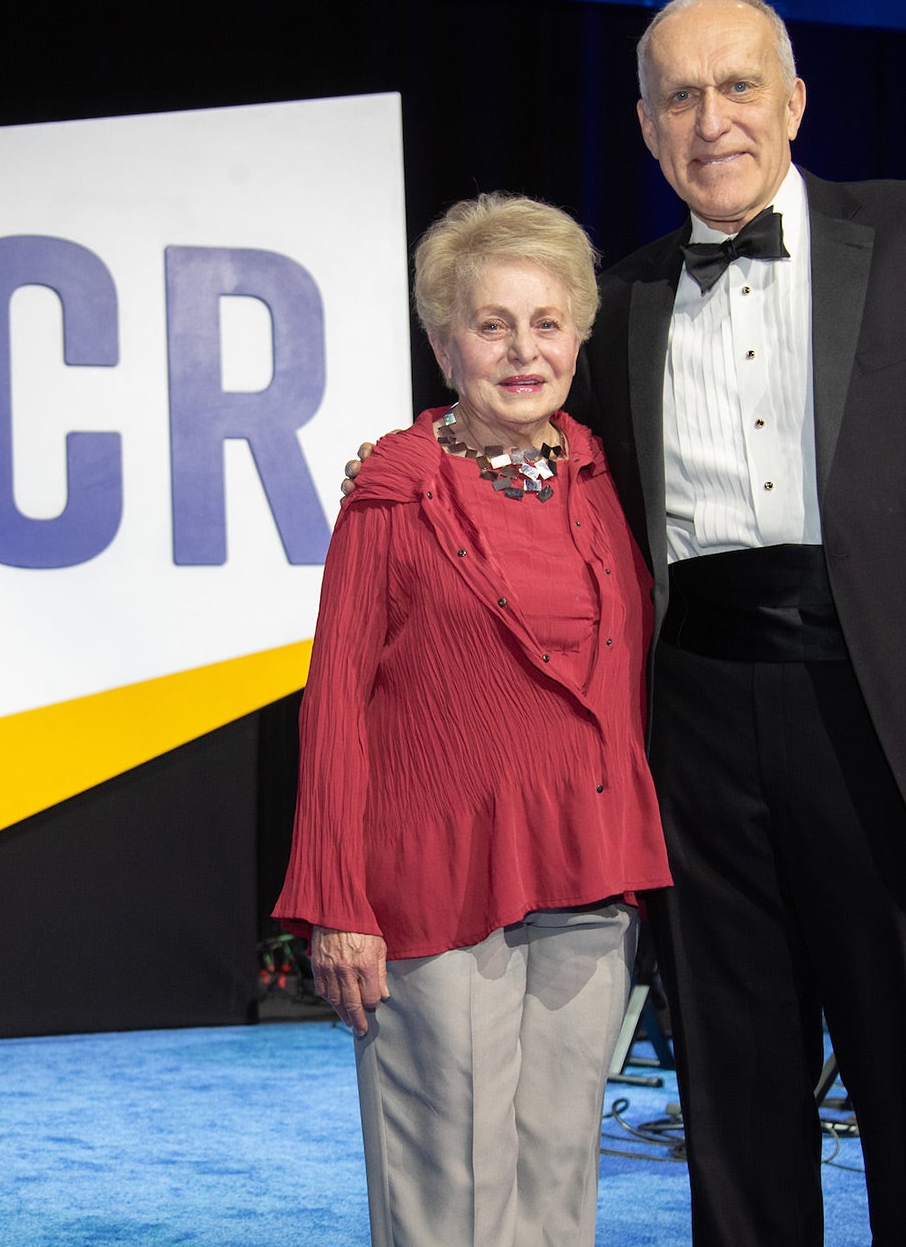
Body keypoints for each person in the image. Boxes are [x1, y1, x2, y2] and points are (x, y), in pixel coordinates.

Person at [583, 0, 906, 1244]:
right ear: (645, 128)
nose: (711, 120)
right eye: (679, 97)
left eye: (738, 86)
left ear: (795, 101)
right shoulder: (614, 300)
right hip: (695, 729)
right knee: (733, 1107)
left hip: (898, 718)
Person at [274, 193, 672, 1247]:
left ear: (579, 337)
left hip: (590, 873)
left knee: (559, 1175)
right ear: (446, 344)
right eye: (492, 325)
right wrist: (337, 900)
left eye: (546, 323)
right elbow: (335, 702)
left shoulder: (606, 474)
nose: (522, 350)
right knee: (450, 1189)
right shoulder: (394, 491)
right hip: (434, 884)